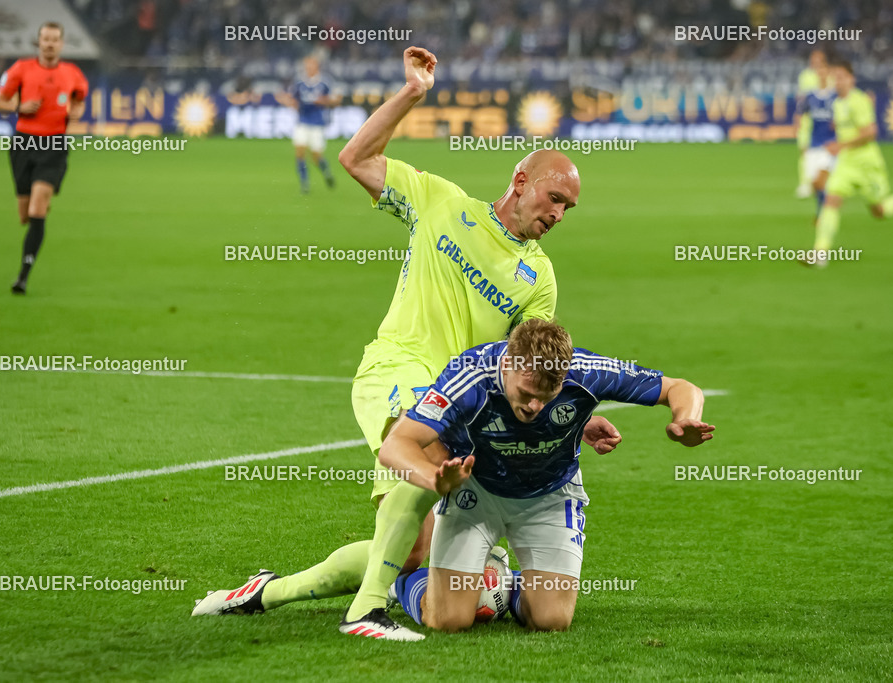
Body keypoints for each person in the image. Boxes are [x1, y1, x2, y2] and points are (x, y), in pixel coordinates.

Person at [191, 47, 620, 640]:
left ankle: (267, 591)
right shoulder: (440, 202)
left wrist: (566, 414)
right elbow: (356, 156)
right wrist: (411, 93)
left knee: (409, 554)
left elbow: (524, 366)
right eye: (555, 199)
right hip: (394, 367)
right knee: (417, 472)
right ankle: (365, 614)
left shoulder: (538, 278)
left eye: (569, 208)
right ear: (520, 181)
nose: (560, 214)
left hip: (453, 397)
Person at [382, 318, 714, 632]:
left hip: (549, 496)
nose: (535, 407)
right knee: (448, 620)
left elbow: (680, 388)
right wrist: (432, 478)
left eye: (547, 396)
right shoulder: (469, 373)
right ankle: (403, 583)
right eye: (527, 394)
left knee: (551, 619)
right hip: (476, 493)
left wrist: (684, 418)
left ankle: (500, 583)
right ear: (508, 364)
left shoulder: (587, 371)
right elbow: (396, 444)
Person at [808, 59, 893, 267]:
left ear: (851, 79)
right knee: (831, 200)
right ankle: (820, 252)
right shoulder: (838, 103)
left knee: (879, 211)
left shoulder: (858, 101)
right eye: (835, 78)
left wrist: (840, 145)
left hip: (868, 165)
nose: (837, 82)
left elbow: (870, 133)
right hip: (847, 163)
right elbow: (842, 126)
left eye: (841, 77)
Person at [0, 22, 88, 294]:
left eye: (54, 40)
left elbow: (79, 99)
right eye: (45, 39)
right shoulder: (20, 69)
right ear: (39, 42)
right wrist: (18, 107)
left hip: (54, 145)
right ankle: (40, 202)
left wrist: (77, 111)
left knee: (36, 211)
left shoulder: (73, 74)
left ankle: (22, 276)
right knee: (26, 217)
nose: (49, 44)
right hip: (23, 144)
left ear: (61, 44)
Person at [280, 56, 341, 193]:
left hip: (318, 123)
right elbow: (293, 98)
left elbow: (336, 99)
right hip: (302, 121)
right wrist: (289, 102)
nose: (308, 69)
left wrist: (323, 101)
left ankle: (327, 173)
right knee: (300, 152)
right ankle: (304, 184)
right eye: (306, 66)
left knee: (316, 156)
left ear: (316, 67)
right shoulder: (299, 82)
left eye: (310, 66)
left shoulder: (325, 82)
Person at [795, 59, 837, 216]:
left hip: (829, 145)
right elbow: (800, 112)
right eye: (818, 70)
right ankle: (823, 209)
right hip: (814, 143)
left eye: (824, 69)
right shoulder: (810, 95)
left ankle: (823, 214)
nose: (821, 73)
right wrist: (798, 126)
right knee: (815, 184)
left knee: (822, 181)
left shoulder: (835, 96)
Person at [795, 49, 827, 199]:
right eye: (813, 60)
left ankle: (820, 182)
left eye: (818, 61)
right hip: (808, 119)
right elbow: (802, 98)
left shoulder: (829, 76)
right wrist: (799, 118)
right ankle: (805, 183)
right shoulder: (805, 76)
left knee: (824, 153)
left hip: (823, 119)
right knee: (805, 151)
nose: (815, 64)